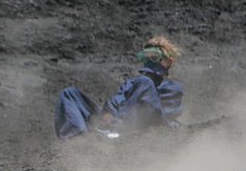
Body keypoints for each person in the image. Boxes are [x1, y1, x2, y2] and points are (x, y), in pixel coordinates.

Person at [55, 36, 184, 139]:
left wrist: (118, 121)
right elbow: (113, 104)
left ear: (168, 61)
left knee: (144, 82)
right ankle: (77, 141)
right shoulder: (132, 83)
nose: (150, 61)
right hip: (111, 124)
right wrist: (108, 115)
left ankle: (118, 131)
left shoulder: (172, 87)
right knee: (69, 94)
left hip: (138, 128)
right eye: (146, 56)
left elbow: (160, 116)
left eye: (155, 57)